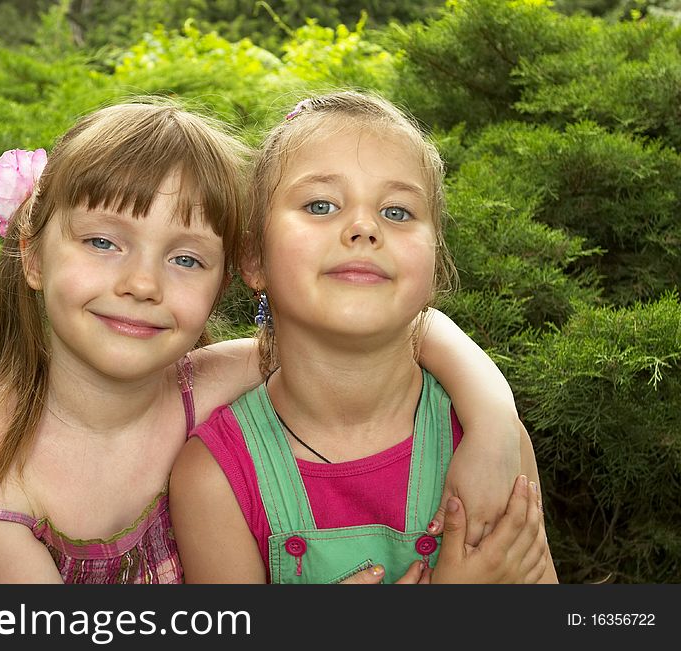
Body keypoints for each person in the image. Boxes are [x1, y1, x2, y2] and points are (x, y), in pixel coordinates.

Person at [0, 98, 533, 584]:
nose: (142, 283)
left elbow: (382, 331)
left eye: (186, 258)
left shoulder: (211, 381)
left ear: (228, 276)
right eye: (101, 242)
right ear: (32, 253)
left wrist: (492, 421)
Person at [169, 91, 558, 584]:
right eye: (320, 204)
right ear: (253, 258)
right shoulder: (214, 476)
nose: (363, 227)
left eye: (397, 212)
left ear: (434, 262)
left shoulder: (488, 443)